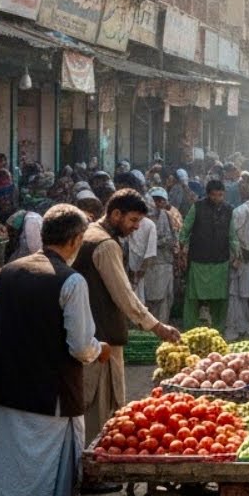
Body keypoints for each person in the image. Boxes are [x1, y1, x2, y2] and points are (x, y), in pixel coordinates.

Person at [0, 204, 107, 496]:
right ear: (73, 240)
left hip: (7, 395)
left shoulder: (10, 273)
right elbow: (81, 346)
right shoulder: (71, 282)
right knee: (47, 490)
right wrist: (100, 349)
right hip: (50, 402)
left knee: (7, 484)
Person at [74, 190, 181, 472]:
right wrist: (155, 326)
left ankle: (86, 466)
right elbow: (124, 295)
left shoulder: (89, 234)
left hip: (88, 333)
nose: (136, 227)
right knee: (101, 408)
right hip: (101, 337)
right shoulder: (106, 245)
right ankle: (93, 468)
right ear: (116, 214)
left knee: (91, 405)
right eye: (133, 220)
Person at [181, 180, 236, 331]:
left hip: (221, 261)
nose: (218, 198)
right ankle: (189, 329)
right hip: (198, 260)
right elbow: (185, 230)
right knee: (193, 298)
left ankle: (218, 330)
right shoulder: (197, 207)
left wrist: (237, 253)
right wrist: (182, 249)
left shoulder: (229, 210)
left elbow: (232, 235)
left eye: (221, 195)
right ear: (208, 194)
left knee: (220, 299)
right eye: (214, 195)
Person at [227, 190, 249, 342]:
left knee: (247, 294)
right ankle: (234, 327)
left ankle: (243, 325)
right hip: (239, 258)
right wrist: (239, 254)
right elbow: (231, 235)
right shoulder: (241, 211)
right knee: (236, 294)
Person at [144, 188, 181, 322]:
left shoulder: (170, 217)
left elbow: (175, 238)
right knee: (150, 299)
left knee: (165, 298)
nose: (158, 203)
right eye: (155, 200)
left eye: (161, 200)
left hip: (165, 262)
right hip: (148, 265)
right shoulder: (141, 219)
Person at [127, 207, 158, 304]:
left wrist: (138, 275)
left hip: (139, 269)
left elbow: (150, 253)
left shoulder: (149, 225)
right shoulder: (125, 221)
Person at [0, 154, 18, 222]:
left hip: (6, 204)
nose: (0, 163)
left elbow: (12, 188)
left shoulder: (5, 173)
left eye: (2, 161)